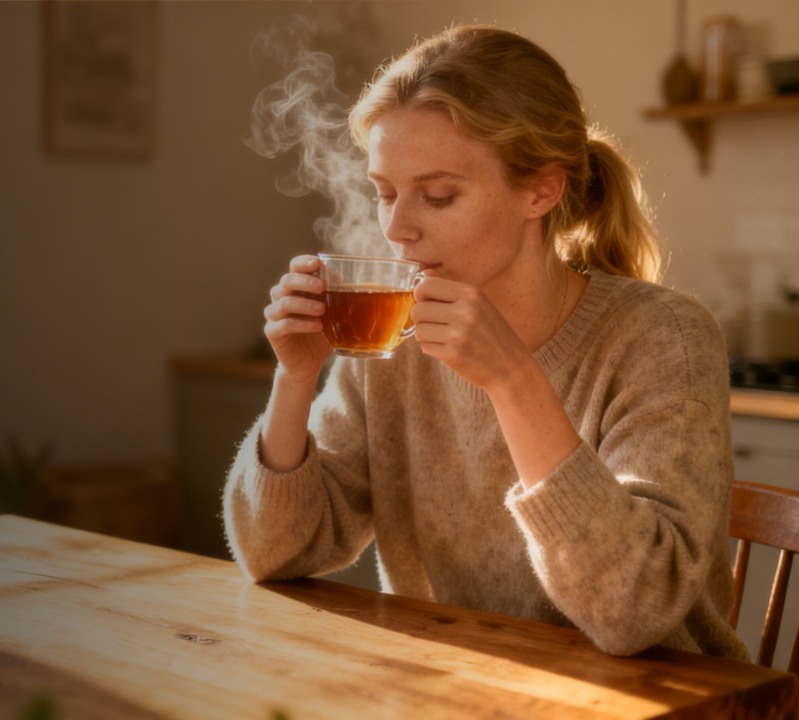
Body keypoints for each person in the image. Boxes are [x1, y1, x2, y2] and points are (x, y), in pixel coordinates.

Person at [223, 24, 750, 661]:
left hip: (666, 697)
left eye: (438, 196)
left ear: (542, 189)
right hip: (457, 685)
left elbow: (636, 609)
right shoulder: (394, 337)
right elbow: (274, 554)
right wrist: (296, 377)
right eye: (385, 193)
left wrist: (513, 380)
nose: (397, 228)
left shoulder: (664, 337)